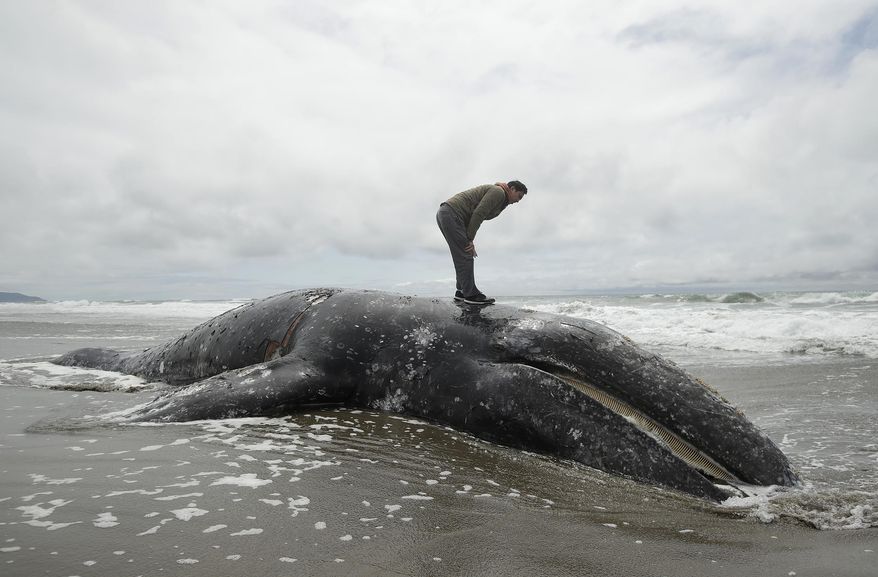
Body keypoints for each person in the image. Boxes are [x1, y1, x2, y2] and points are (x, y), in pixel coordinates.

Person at [436, 180, 528, 305]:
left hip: (448, 214)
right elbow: (479, 213)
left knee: (462, 254)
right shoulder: (499, 192)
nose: (518, 200)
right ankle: (471, 294)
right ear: (512, 189)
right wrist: (470, 239)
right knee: (466, 253)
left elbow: (476, 214)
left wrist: (469, 238)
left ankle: (461, 291)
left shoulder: (502, 199)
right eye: (519, 196)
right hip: (451, 214)